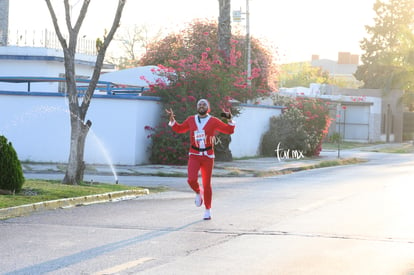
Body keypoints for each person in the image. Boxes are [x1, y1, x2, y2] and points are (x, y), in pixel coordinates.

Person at [165, 99, 235, 220]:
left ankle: (208, 209)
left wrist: (229, 119)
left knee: (207, 183)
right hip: (194, 154)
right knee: (191, 179)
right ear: (197, 107)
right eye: (199, 105)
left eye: (204, 105)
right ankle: (198, 192)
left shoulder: (213, 121)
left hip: (208, 156)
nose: (201, 106)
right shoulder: (191, 119)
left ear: (208, 108)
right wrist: (172, 121)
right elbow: (180, 129)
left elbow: (229, 130)